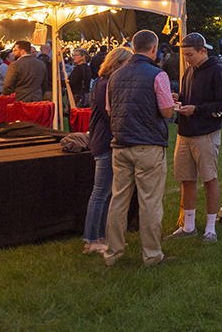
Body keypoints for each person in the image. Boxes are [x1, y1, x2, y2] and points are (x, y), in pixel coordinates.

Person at [103, 30, 177, 267]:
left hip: (121, 144)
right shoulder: (158, 75)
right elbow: (167, 112)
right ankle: (152, 255)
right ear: (154, 49)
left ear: (134, 47)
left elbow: (109, 110)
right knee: (150, 202)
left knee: (118, 200)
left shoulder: (115, 76)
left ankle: (113, 253)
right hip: (148, 145)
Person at [166, 33, 222, 244]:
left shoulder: (217, 70)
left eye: (190, 55)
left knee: (209, 179)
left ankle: (211, 227)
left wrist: (196, 110)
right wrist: (180, 99)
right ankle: (189, 226)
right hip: (184, 133)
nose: (187, 59)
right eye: (185, 55)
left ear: (203, 51)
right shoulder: (189, 71)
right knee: (186, 179)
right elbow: (193, 97)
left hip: (205, 133)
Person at [82, 46, 133, 255]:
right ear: (116, 65)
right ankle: (92, 238)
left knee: (107, 192)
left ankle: (101, 236)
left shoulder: (106, 83)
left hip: (107, 140)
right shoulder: (105, 85)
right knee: (101, 192)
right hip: (105, 142)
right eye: (127, 65)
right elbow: (110, 114)